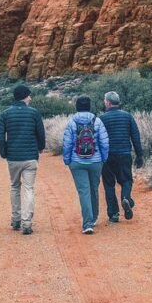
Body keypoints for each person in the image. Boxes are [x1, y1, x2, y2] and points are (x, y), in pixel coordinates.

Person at [0, 84, 46, 235]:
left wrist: (4, 152)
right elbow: (41, 133)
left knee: (15, 186)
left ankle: (16, 219)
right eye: (29, 95)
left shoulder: (5, 114)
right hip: (30, 157)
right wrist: (40, 147)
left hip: (13, 158)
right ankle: (27, 223)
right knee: (29, 188)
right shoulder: (34, 113)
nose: (30, 98)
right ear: (24, 96)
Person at [62, 95, 109, 234]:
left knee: (84, 191)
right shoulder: (97, 121)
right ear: (89, 106)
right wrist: (103, 159)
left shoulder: (71, 122)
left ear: (77, 107)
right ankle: (93, 218)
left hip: (77, 162)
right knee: (94, 189)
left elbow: (67, 144)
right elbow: (104, 142)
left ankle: (87, 223)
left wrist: (67, 160)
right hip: (96, 161)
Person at [99, 91, 144, 222]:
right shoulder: (128, 116)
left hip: (107, 156)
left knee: (109, 184)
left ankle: (113, 214)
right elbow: (135, 136)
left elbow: (97, 139)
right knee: (126, 180)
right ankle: (125, 197)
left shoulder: (101, 118)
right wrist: (139, 155)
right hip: (124, 154)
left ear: (108, 102)